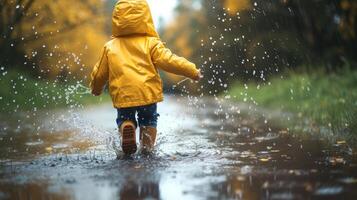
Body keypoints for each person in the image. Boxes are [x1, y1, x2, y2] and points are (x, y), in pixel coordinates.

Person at [89, 0, 200, 155]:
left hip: (124, 93)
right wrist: (192, 71)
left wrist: (96, 89)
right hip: (147, 93)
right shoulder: (151, 43)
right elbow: (169, 61)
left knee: (124, 118)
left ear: (117, 18)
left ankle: (127, 126)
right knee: (149, 120)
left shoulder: (110, 46)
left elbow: (100, 72)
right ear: (146, 17)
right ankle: (147, 148)